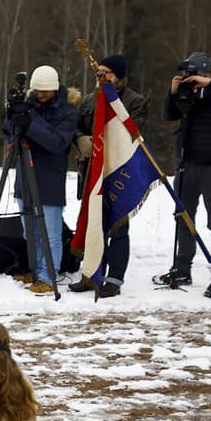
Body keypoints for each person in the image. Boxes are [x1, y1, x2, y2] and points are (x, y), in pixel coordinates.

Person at [154, 51, 211, 298]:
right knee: (183, 218)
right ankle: (182, 270)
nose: (191, 79)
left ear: (209, 72)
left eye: (195, 74)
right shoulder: (189, 94)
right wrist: (173, 93)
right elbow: (169, 115)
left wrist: (210, 85)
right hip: (187, 164)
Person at [71, 54, 148, 298]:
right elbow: (76, 127)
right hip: (92, 173)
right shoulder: (87, 101)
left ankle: (114, 279)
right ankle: (91, 273)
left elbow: (131, 133)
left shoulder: (135, 101)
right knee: (94, 224)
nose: (100, 76)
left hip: (120, 172)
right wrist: (80, 139)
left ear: (118, 76)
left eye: (106, 72)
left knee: (118, 228)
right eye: (98, 71)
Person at [1, 65, 78, 295]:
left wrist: (30, 122)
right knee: (30, 231)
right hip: (25, 173)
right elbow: (8, 132)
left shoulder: (67, 111)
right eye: (37, 90)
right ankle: (35, 269)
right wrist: (13, 114)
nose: (39, 95)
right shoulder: (29, 104)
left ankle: (48, 276)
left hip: (50, 176)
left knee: (50, 233)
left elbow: (57, 143)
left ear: (55, 89)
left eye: (44, 91)